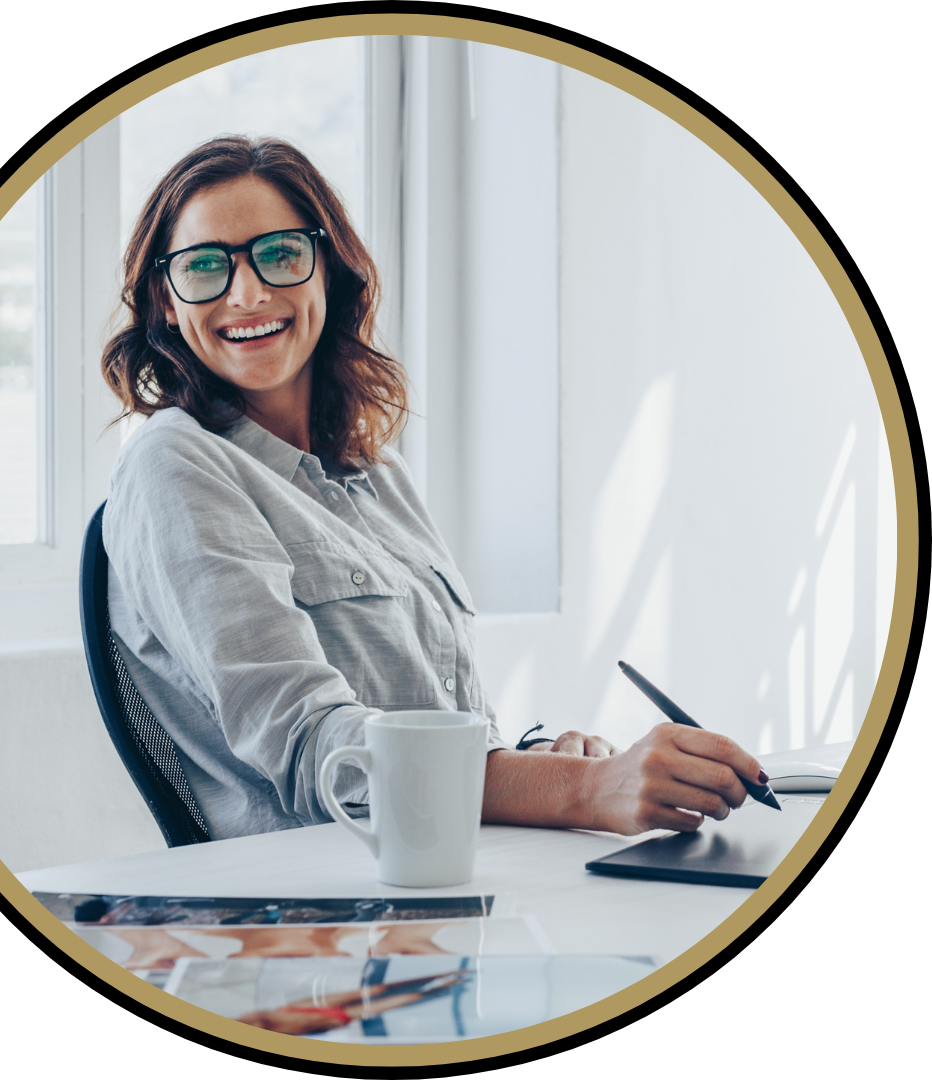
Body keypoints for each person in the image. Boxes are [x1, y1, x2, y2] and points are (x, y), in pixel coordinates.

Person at [100, 135, 768, 843]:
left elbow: (441, 716)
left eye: (281, 253)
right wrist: (586, 790)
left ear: (328, 269)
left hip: (452, 867)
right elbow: (318, 751)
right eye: (205, 266)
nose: (248, 292)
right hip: (325, 905)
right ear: (165, 303)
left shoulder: (374, 467)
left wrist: (540, 764)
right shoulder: (173, 463)